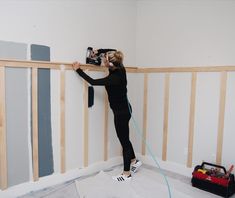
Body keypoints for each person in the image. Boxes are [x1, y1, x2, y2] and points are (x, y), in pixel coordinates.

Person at [72, 51, 142, 182]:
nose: (102, 60)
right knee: (125, 138)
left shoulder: (112, 79)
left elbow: (92, 81)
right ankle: (134, 161)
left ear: (110, 63)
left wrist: (78, 70)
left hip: (121, 113)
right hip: (126, 109)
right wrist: (98, 51)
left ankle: (126, 174)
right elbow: (113, 51)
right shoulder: (121, 68)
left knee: (124, 142)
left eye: (104, 59)